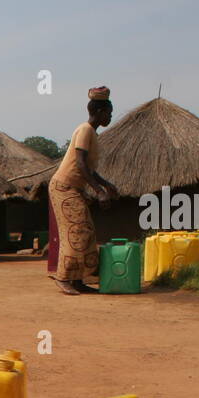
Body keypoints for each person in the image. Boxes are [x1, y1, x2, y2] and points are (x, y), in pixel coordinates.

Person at [47, 85, 118, 295]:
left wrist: (106, 185)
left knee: (86, 230)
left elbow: (89, 168)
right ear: (98, 111)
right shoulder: (85, 130)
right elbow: (80, 164)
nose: (110, 117)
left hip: (74, 188)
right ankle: (63, 277)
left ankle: (78, 280)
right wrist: (99, 191)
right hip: (63, 186)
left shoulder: (92, 135)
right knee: (75, 231)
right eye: (108, 113)